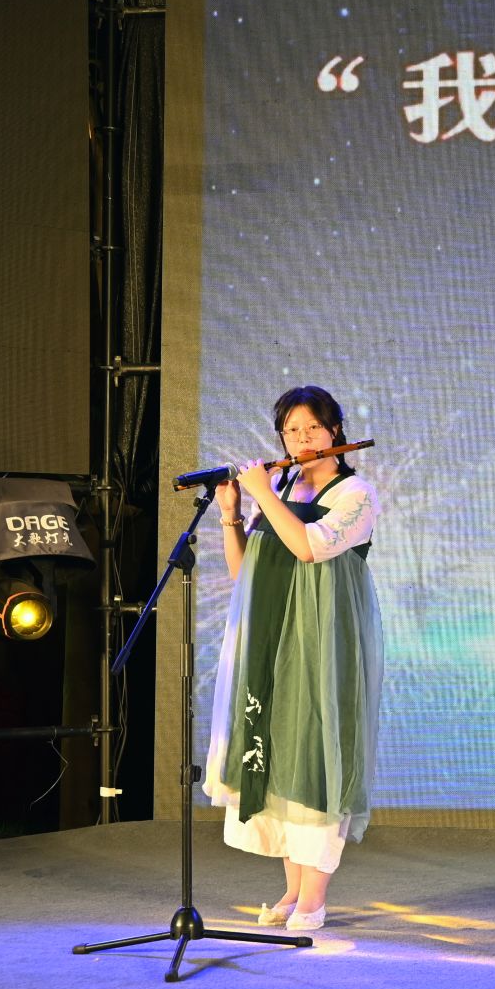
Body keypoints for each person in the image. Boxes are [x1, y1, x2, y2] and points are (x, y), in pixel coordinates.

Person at [204, 386, 383, 932]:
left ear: (335, 432)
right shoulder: (280, 488)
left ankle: (314, 899)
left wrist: (263, 493)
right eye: (291, 431)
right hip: (271, 636)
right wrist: (233, 515)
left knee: (315, 757)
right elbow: (246, 574)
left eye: (312, 428)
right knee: (278, 757)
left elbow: (309, 547)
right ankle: (291, 889)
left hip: (322, 643)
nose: (301, 439)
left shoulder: (356, 493)